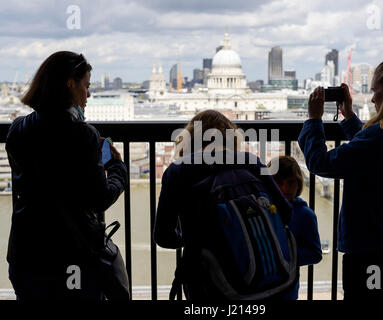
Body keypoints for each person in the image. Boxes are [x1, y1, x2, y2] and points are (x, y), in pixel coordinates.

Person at [298, 57, 383, 300]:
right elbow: (370, 150)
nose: (373, 99)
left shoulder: (379, 138)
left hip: (370, 250)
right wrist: (349, 116)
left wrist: (313, 120)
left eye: (377, 92)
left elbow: (321, 162)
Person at [6, 51, 127, 300]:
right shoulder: (83, 135)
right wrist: (116, 168)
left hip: (26, 251)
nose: (88, 95)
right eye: (86, 86)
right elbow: (100, 199)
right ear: (70, 84)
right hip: (72, 253)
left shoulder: (18, 129)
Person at [154, 110, 296, 301]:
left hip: (208, 282)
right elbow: (285, 213)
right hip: (266, 282)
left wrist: (190, 236)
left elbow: (163, 237)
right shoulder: (251, 162)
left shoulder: (179, 171)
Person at [268, 156, 322, 300]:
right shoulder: (262, 209)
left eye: (290, 183)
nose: (285, 188)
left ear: (298, 184)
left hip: (286, 289)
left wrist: (282, 255)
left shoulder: (306, 215)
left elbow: (315, 253)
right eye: (279, 182)